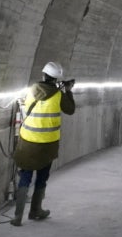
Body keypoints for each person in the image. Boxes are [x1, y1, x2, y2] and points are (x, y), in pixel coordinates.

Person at [10, 60, 75, 226]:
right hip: (47, 144)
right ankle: (35, 211)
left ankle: (17, 217)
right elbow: (70, 110)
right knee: (41, 178)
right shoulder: (59, 95)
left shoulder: (32, 90)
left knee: (25, 177)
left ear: (44, 75)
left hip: (28, 142)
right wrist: (68, 91)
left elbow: (28, 105)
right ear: (56, 79)